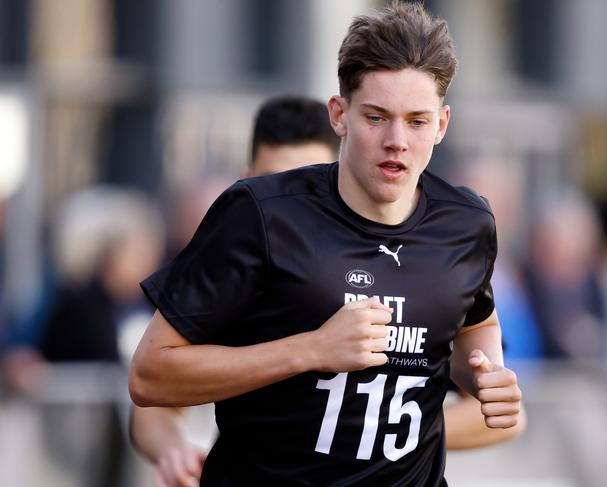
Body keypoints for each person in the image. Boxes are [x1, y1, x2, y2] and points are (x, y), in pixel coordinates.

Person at [129, 4, 522, 486]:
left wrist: (488, 375)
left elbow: (477, 322)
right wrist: (312, 349)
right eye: (376, 117)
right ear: (340, 115)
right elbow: (149, 377)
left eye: (417, 122)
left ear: (441, 125)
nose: (396, 140)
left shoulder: (467, 222)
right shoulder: (260, 213)